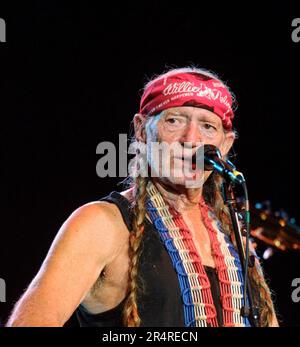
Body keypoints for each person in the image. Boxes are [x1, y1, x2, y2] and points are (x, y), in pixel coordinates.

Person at [6, 66, 278, 327]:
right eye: (174, 120)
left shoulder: (233, 233)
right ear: (140, 130)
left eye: (208, 126)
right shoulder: (100, 224)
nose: (191, 139)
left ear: (225, 144)